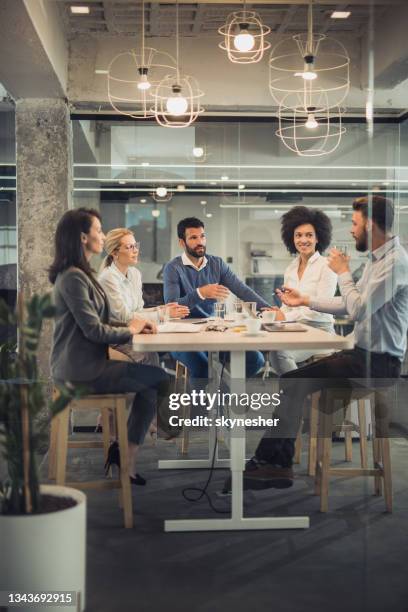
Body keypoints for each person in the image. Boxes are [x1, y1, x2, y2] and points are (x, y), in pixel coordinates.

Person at [240, 195, 408, 489]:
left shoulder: (395, 263)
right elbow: (348, 303)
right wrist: (307, 299)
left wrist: (343, 272)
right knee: (293, 380)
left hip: (378, 364)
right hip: (361, 355)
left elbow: (357, 309)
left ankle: (273, 464)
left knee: (292, 382)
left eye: (355, 224)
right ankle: (275, 463)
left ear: (369, 224)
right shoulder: (377, 259)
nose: (352, 230)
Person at [49, 208, 171, 486]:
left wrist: (138, 325)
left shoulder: (82, 274)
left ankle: (125, 455)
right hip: (80, 372)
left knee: (154, 382)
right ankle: (129, 453)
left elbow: (103, 318)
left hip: (88, 366)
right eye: (99, 231)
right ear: (83, 237)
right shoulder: (73, 277)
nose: (102, 236)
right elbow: (94, 330)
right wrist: (131, 329)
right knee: (159, 380)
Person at [163, 217, 271, 381]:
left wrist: (268, 309)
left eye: (202, 236)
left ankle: (223, 395)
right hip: (182, 335)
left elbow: (242, 289)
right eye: (193, 238)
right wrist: (201, 293)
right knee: (202, 369)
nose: (200, 242)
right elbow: (172, 308)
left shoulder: (217, 264)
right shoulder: (173, 268)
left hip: (214, 331)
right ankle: (201, 406)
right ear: (182, 243)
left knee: (256, 360)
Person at [98, 227, 189, 366]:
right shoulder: (108, 278)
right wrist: (162, 313)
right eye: (129, 247)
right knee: (148, 357)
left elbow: (138, 311)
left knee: (153, 353)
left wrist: (161, 308)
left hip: (132, 332)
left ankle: (155, 385)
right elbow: (125, 317)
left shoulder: (134, 274)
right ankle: (151, 386)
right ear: (115, 253)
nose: (135, 250)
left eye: (136, 246)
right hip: (116, 337)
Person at [268, 206, 338, 374]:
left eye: (309, 235)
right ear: (291, 238)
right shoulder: (290, 268)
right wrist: (279, 312)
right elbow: (288, 305)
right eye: (298, 235)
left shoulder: (327, 266)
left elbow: (321, 308)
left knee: (280, 353)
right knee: (272, 349)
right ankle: (298, 394)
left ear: (317, 238)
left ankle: (296, 395)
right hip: (294, 329)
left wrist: (285, 316)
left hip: (320, 332)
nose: (303, 240)